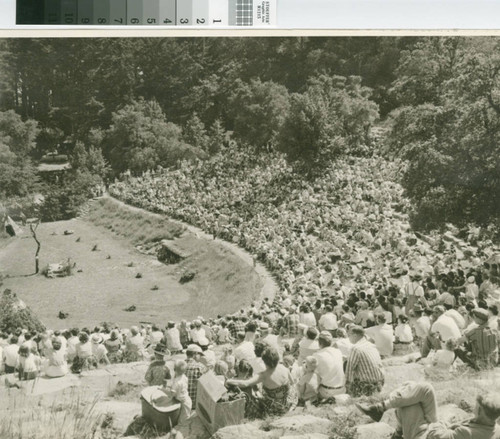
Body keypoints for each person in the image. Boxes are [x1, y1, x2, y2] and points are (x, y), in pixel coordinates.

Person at [356, 381, 500, 439]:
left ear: (480, 409)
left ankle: (397, 431)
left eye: (476, 406)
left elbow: (435, 435)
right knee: (421, 389)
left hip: (428, 435)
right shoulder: (494, 428)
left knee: (409, 404)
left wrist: (442, 423)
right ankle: (381, 408)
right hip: (437, 430)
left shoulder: (467, 433)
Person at [226, 346, 293, 418]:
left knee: (252, 401)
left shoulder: (263, 375)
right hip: (288, 402)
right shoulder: (284, 368)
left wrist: (229, 380)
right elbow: (292, 382)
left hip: (276, 407)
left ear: (264, 361)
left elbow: (245, 384)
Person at [345, 325, 384, 397]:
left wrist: (346, 386)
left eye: (349, 335)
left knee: (346, 364)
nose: (348, 338)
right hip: (379, 383)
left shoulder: (356, 348)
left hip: (367, 386)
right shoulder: (371, 345)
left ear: (355, 335)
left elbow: (349, 369)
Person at [313, 332, 345, 400]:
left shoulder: (317, 355)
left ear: (319, 343)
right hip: (342, 389)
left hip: (328, 391)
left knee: (310, 373)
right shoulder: (338, 352)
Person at [168, 360, 192, 424]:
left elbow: (173, 394)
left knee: (183, 420)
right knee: (183, 415)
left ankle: (185, 428)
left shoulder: (177, 383)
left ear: (174, 369)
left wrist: (169, 395)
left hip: (184, 402)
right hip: (185, 398)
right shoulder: (184, 377)